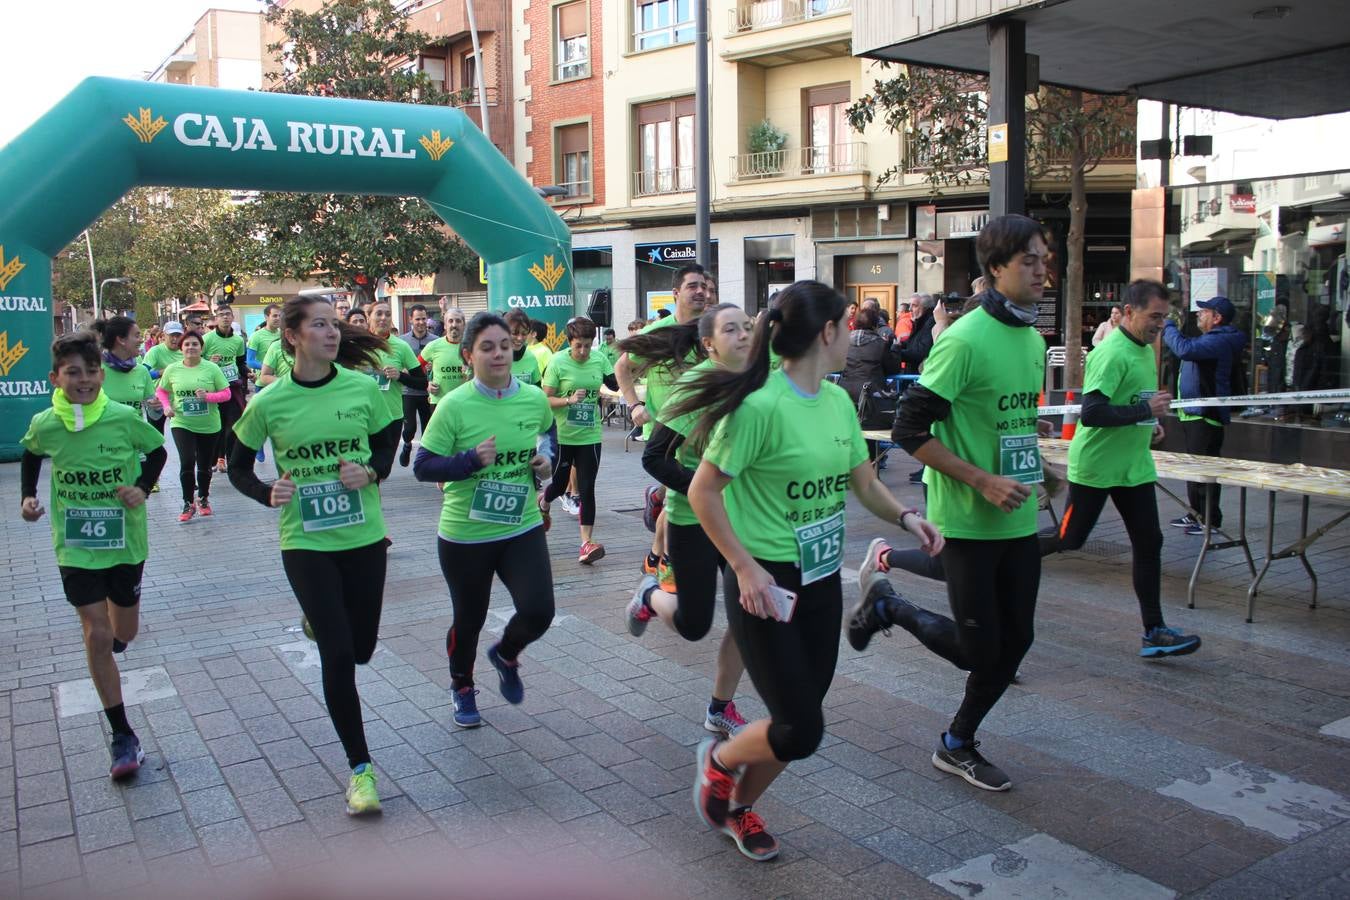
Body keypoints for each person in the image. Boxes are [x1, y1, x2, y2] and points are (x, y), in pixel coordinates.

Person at [680, 280, 942, 861]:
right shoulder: (759, 407)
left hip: (821, 580)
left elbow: (865, 482)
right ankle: (719, 761)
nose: (851, 336)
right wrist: (744, 567)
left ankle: (738, 808)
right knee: (801, 728)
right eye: (846, 326)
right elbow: (703, 493)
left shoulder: (837, 402)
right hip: (765, 582)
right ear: (828, 332)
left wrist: (906, 516)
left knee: (798, 727)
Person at [849, 214, 1049, 793]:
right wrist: (982, 481)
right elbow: (909, 430)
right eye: (1029, 260)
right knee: (977, 650)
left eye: (1044, 258)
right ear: (995, 269)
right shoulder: (961, 340)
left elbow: (1009, 420)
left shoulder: (1032, 338)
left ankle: (957, 742)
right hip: (967, 519)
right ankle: (889, 606)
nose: (1041, 270)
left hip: (1015, 516)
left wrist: (1042, 471)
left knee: (1018, 642)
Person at [228, 297, 399, 815]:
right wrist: (266, 493)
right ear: (293, 336)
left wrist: (369, 472)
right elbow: (237, 467)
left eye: (334, 324)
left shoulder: (363, 389)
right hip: (305, 543)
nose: (332, 332)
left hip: (365, 536)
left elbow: (388, 444)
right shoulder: (269, 403)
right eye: (319, 325)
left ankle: (319, 618)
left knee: (362, 647)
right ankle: (361, 771)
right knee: (338, 653)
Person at [20, 332, 167, 779]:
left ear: (101, 374)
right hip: (76, 545)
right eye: (72, 373)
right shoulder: (47, 422)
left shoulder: (122, 418)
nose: (83, 380)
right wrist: (27, 498)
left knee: (124, 630)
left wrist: (140, 488)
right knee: (97, 633)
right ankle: (123, 736)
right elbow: (30, 453)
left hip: (125, 542)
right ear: (56, 377)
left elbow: (158, 451)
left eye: (90, 372)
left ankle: (117, 636)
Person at [1032, 281, 1201, 656]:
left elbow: (1129, 404)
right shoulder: (1111, 353)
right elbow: (1092, 413)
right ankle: (1001, 555)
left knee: (1149, 542)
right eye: (1153, 316)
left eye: (1164, 317)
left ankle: (1154, 631)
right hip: (1096, 468)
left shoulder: (1144, 350)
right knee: (1070, 538)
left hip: (1133, 468)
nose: (1160, 325)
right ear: (1127, 312)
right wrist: (1145, 412)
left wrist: (1148, 425)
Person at [413, 313, 557, 727]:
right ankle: (462, 685)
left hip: (521, 526)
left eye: (505, 346)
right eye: (487, 347)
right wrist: (469, 461)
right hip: (465, 535)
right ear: (468, 356)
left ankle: (507, 653)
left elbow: (549, 438)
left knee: (539, 611)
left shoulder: (532, 398)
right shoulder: (455, 406)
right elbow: (424, 466)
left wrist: (546, 463)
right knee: (469, 620)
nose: (499, 354)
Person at [624, 304, 754, 739]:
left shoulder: (755, 382)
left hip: (743, 520)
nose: (743, 335)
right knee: (695, 625)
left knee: (747, 615)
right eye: (731, 329)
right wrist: (705, 490)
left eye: (748, 327)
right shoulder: (695, 387)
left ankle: (720, 707)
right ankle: (650, 595)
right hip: (692, 518)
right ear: (708, 344)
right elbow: (654, 457)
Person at [615, 265, 711, 590]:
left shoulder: (712, 331)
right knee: (683, 495)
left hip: (704, 431)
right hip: (666, 432)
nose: (702, 292)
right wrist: (634, 406)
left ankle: (656, 555)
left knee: (678, 496)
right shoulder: (660, 331)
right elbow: (622, 367)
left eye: (706, 287)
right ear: (675, 293)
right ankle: (665, 560)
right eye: (694, 286)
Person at [1162, 296, 1245, 534]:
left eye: (1204, 311)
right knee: (1194, 468)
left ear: (1217, 318)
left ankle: (1210, 520)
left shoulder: (1221, 341)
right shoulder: (1211, 339)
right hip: (1192, 412)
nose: (1199, 314)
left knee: (1204, 470)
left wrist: (1168, 325)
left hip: (1205, 415)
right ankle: (1195, 513)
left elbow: (1184, 349)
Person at [541, 316, 616, 564]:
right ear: (569, 342)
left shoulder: (599, 359)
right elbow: (545, 399)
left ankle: (586, 543)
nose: (583, 351)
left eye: (587, 344)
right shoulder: (557, 362)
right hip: (563, 434)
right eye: (578, 346)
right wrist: (568, 400)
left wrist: (604, 397)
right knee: (561, 484)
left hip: (590, 434)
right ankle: (544, 500)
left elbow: (613, 383)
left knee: (587, 487)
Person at [157, 331, 231, 522]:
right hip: (182, 422)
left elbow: (226, 394)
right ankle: (187, 502)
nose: (191, 348)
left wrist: (208, 397)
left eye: (195, 344)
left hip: (209, 425)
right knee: (187, 460)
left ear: (201, 348)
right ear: (181, 348)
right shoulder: (172, 369)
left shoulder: (212, 368)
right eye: (187, 344)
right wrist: (166, 407)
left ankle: (204, 498)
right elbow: (162, 391)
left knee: (205, 465)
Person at [203, 304, 248, 474]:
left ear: (233, 318)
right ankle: (216, 458)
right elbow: (197, 363)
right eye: (221, 315)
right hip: (214, 390)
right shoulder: (207, 339)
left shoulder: (238, 340)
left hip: (233, 387)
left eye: (228, 314)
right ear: (216, 318)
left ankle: (231, 461)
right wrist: (210, 362)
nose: (225, 317)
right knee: (217, 426)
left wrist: (248, 374)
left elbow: (240, 363)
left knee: (234, 425)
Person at [93, 317, 159, 422]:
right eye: (137, 336)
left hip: (135, 436)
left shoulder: (142, 371)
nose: (141, 340)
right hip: (105, 436)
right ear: (121, 339)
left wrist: (157, 407)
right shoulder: (94, 371)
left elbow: (154, 414)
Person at [399, 304, 437, 466]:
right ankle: (407, 446)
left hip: (427, 393)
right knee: (409, 430)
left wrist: (432, 367)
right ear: (410, 320)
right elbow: (398, 365)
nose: (421, 322)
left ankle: (424, 460)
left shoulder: (435, 341)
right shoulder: (402, 341)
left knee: (428, 430)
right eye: (417, 319)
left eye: (423, 318)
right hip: (407, 392)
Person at [142, 322, 185, 437]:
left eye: (178, 335)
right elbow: (142, 374)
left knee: (185, 437)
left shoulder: (185, 351)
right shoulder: (155, 351)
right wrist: (160, 373)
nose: (175, 339)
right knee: (156, 438)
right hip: (158, 400)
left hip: (180, 399)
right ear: (164, 336)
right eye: (172, 335)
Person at [420, 306, 468, 406]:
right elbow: (415, 368)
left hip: (464, 402)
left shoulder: (472, 346)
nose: (454, 325)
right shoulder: (433, 346)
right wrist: (426, 384)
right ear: (445, 325)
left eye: (458, 321)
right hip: (439, 403)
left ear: (464, 325)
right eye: (450, 321)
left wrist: (471, 372)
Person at [504, 309, 543, 387]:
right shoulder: (493, 358)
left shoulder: (530, 357)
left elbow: (537, 390)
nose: (520, 338)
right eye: (514, 333)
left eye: (524, 333)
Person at [246, 303, 283, 375]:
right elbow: (250, 361)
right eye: (275, 316)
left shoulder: (283, 334)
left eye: (280, 316)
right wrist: (268, 368)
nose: (278, 318)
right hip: (263, 382)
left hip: (280, 380)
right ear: (266, 317)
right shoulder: (256, 336)